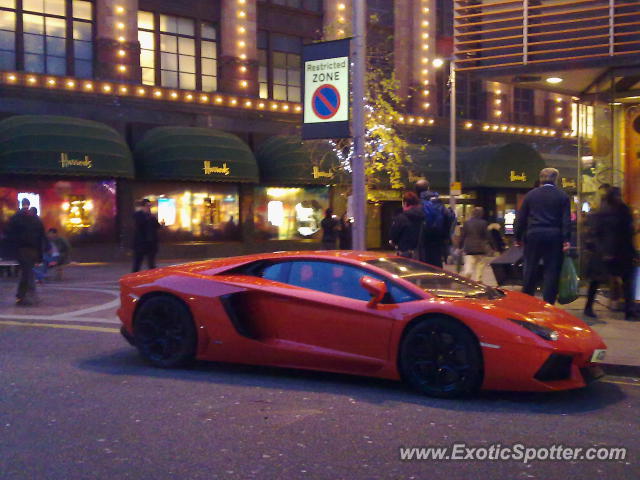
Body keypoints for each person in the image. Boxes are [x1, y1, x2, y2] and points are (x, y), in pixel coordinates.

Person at [515, 168, 571, 304]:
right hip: (554, 236)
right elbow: (566, 220)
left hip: (533, 235)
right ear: (555, 179)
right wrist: (566, 239)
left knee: (530, 268)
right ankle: (548, 303)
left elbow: (521, 218)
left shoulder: (530, 195)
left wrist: (518, 237)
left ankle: (527, 300)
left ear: (540, 179)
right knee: (551, 271)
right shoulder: (562, 196)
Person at [583, 187, 637, 320]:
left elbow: (595, 232)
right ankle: (629, 311)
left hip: (604, 252)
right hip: (621, 251)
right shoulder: (623, 210)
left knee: (596, 280)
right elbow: (628, 232)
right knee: (627, 280)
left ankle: (589, 307)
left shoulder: (601, 211)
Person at [4, 198, 46, 305]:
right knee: (28, 271)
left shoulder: (16, 217)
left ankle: (23, 295)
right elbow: (41, 235)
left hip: (22, 248)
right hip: (33, 248)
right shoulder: (35, 218)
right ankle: (27, 295)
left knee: (27, 272)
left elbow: (9, 232)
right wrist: (40, 253)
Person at [415, 179, 454, 268]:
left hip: (423, 240)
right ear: (428, 188)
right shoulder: (438, 201)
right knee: (436, 265)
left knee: (423, 266)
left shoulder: (418, 202)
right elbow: (448, 218)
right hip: (438, 239)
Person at [459, 207, 491, 282]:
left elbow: (463, 236)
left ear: (472, 214)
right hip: (481, 248)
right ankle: (478, 279)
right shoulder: (483, 223)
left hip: (469, 249)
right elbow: (488, 236)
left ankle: (467, 275)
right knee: (480, 265)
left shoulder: (467, 223)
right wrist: (493, 246)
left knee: (469, 265)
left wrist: (460, 246)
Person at [389, 192, 425, 258]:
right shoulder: (423, 215)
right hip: (420, 253)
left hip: (404, 252)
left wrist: (392, 242)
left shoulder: (401, 218)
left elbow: (393, 235)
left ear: (405, 203)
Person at [132, 198, 161, 272]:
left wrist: (161, 224)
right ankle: (134, 279)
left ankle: (152, 279)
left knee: (151, 264)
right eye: (147, 206)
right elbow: (139, 224)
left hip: (151, 243)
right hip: (141, 243)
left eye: (149, 206)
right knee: (137, 263)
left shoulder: (151, 216)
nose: (149, 207)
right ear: (142, 206)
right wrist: (148, 217)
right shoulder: (138, 215)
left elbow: (157, 226)